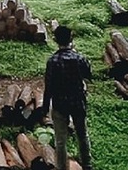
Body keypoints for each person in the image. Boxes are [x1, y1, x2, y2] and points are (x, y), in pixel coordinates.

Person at [42, 25, 93, 170]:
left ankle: (62, 167)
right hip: (78, 102)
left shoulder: (52, 61)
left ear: (55, 40)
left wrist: (45, 107)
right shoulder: (79, 58)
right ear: (71, 39)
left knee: (60, 141)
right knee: (82, 135)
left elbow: (49, 86)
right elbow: (89, 74)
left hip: (59, 104)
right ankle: (87, 164)